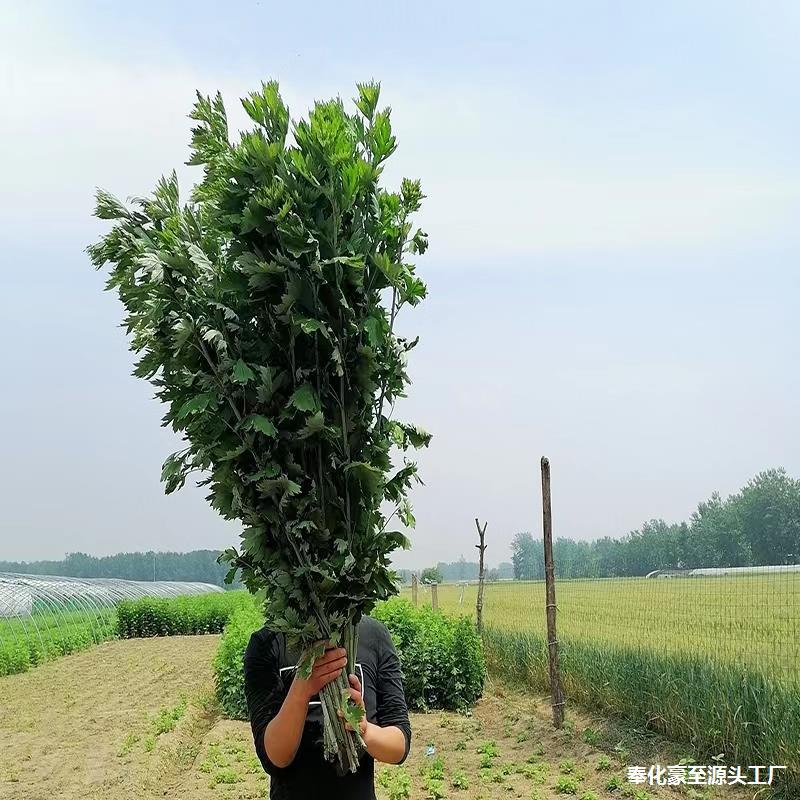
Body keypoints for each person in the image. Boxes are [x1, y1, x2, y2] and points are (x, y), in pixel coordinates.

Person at [244, 615, 412, 800]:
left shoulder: (373, 635)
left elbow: (399, 747)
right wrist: (301, 689)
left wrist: (364, 730)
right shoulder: (267, 643)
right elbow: (275, 759)